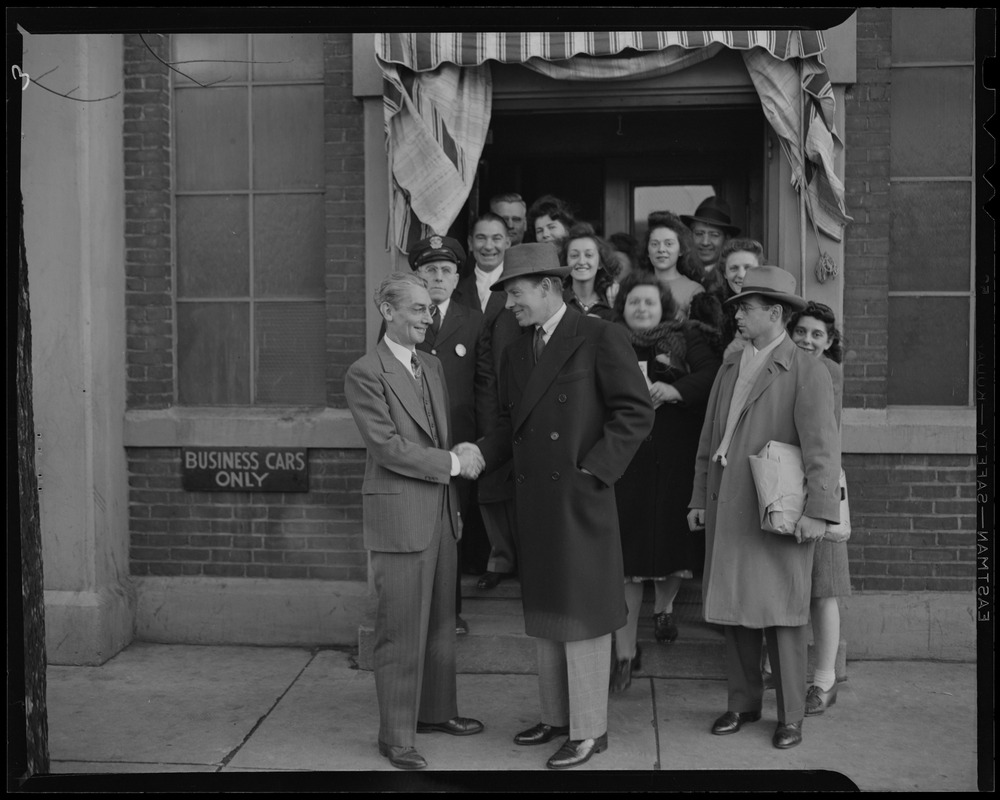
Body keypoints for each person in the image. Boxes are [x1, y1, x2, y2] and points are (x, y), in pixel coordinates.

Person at [473, 243, 655, 769]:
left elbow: (635, 412)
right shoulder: (515, 350)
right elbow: (510, 425)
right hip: (536, 502)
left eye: (515, 293)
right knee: (547, 615)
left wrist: (594, 470)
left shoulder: (599, 335)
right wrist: (478, 453)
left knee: (584, 616)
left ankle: (590, 732)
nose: (510, 304)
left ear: (548, 288)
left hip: (580, 501)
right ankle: (556, 718)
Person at [686, 265, 841, 751]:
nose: (736, 314)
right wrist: (697, 499)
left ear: (774, 313)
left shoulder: (808, 367)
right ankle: (743, 703)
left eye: (745, 308)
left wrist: (818, 510)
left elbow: (823, 448)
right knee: (734, 609)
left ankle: (790, 715)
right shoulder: (732, 363)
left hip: (778, 509)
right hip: (727, 506)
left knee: (784, 614)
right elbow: (709, 439)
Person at [344, 272, 485, 771]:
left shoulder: (431, 364)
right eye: (419, 309)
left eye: (429, 308)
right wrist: (452, 463)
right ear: (388, 310)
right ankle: (396, 736)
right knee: (401, 630)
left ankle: (436, 713)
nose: (429, 317)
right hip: (401, 515)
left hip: (441, 515)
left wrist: (457, 460)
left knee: (441, 625)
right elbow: (387, 447)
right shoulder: (366, 372)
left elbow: (437, 433)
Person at [609, 273, 722, 692]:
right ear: (622, 306)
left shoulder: (686, 337)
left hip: (676, 459)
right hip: (626, 462)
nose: (641, 309)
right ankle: (624, 653)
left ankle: (665, 608)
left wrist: (673, 391)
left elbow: (712, 377)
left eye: (649, 302)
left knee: (673, 543)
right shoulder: (609, 339)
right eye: (634, 302)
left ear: (664, 307)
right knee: (628, 558)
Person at [407, 235, 485, 635]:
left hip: (459, 443)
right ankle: (421, 612)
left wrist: (481, 442)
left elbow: (484, 385)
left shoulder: (473, 320)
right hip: (417, 444)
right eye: (430, 270)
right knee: (420, 526)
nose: (438, 277)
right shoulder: (403, 319)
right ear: (417, 275)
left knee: (454, 526)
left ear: (457, 278)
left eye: (446, 271)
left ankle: (449, 612)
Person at [788, 301, 848, 716]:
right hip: (781, 486)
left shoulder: (826, 373)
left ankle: (824, 680)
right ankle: (779, 668)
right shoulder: (780, 366)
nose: (808, 340)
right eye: (802, 332)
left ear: (829, 343)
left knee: (823, 588)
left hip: (819, 486)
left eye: (817, 335)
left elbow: (823, 441)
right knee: (784, 581)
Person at [454, 212, 521, 591]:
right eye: (481, 238)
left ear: (508, 241)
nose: (489, 246)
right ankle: (479, 558)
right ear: (470, 242)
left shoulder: (516, 288)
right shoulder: (457, 287)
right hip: (467, 399)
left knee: (499, 480)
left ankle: (503, 558)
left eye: (497, 238)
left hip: (504, 397)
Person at [639, 210, 705, 320]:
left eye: (668, 244)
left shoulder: (694, 290)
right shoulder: (636, 285)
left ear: (681, 250)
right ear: (647, 251)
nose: (661, 249)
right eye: (654, 244)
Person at [715, 238, 766, 358]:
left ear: (761, 270)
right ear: (724, 274)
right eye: (733, 268)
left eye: (748, 268)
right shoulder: (710, 309)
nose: (741, 275)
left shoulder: (772, 307)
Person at [561, 223, 616, 320]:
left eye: (589, 255)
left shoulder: (612, 301)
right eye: (574, 255)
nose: (581, 261)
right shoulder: (558, 302)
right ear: (566, 262)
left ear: (600, 263)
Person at [680, 196, 741, 278]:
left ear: (726, 239)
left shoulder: (735, 277)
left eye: (714, 235)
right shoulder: (678, 272)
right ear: (690, 236)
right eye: (699, 233)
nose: (705, 242)